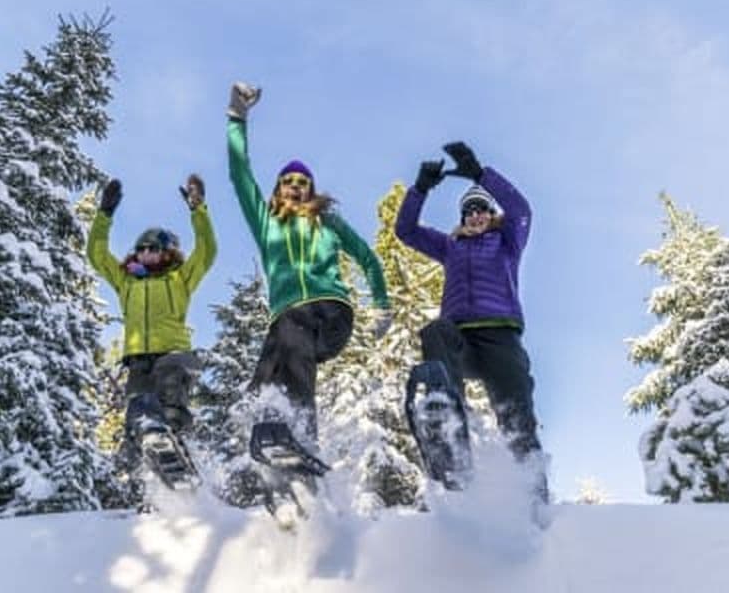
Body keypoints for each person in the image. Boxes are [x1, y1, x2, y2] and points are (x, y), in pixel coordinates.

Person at [226, 82, 392, 453]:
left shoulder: (328, 223)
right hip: (286, 322)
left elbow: (367, 256)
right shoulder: (266, 221)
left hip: (329, 311)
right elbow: (239, 174)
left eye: (303, 182)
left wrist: (381, 305)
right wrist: (237, 117)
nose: (295, 187)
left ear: (311, 189)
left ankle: (302, 437)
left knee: (291, 337)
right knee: (265, 378)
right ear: (277, 189)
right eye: (288, 181)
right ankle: (265, 454)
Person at [395, 141, 546, 497]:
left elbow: (521, 209)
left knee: (516, 414)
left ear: (491, 214)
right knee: (435, 330)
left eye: (481, 210)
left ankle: (533, 497)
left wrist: (479, 174)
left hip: (501, 339)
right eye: (468, 212)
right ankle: (448, 426)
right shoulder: (450, 247)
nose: (475, 216)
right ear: (462, 219)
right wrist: (419, 190)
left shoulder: (508, 241)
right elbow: (406, 230)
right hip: (460, 340)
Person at [87, 174, 217, 462]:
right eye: (141, 248)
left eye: (153, 248)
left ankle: (178, 441)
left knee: (169, 390)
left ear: (167, 252)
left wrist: (198, 210)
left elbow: (207, 251)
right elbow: (97, 255)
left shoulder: (180, 278)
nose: (146, 253)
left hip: (173, 354)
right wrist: (104, 214)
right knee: (137, 413)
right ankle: (143, 479)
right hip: (138, 360)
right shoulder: (126, 281)